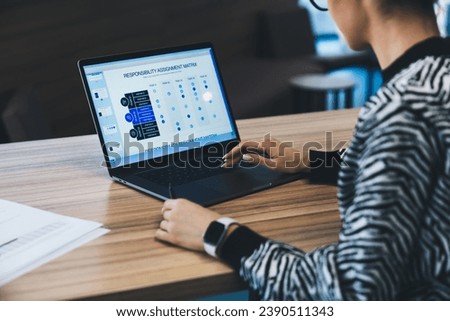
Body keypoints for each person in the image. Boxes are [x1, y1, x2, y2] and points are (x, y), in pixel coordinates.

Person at [156, 0, 450, 300]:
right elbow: (419, 163)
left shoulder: (401, 110)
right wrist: (310, 161)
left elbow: (351, 292)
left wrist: (219, 234)